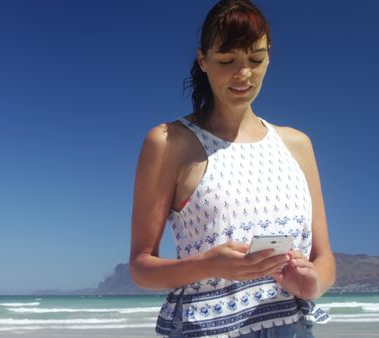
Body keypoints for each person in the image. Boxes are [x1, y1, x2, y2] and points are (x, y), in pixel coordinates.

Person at [128, 0, 336, 337]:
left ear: (270, 57)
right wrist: (208, 265)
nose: (243, 75)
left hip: (291, 327)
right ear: (203, 60)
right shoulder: (169, 142)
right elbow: (141, 267)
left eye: (256, 59)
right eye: (227, 61)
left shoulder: (297, 145)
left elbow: (323, 255)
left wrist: (312, 284)